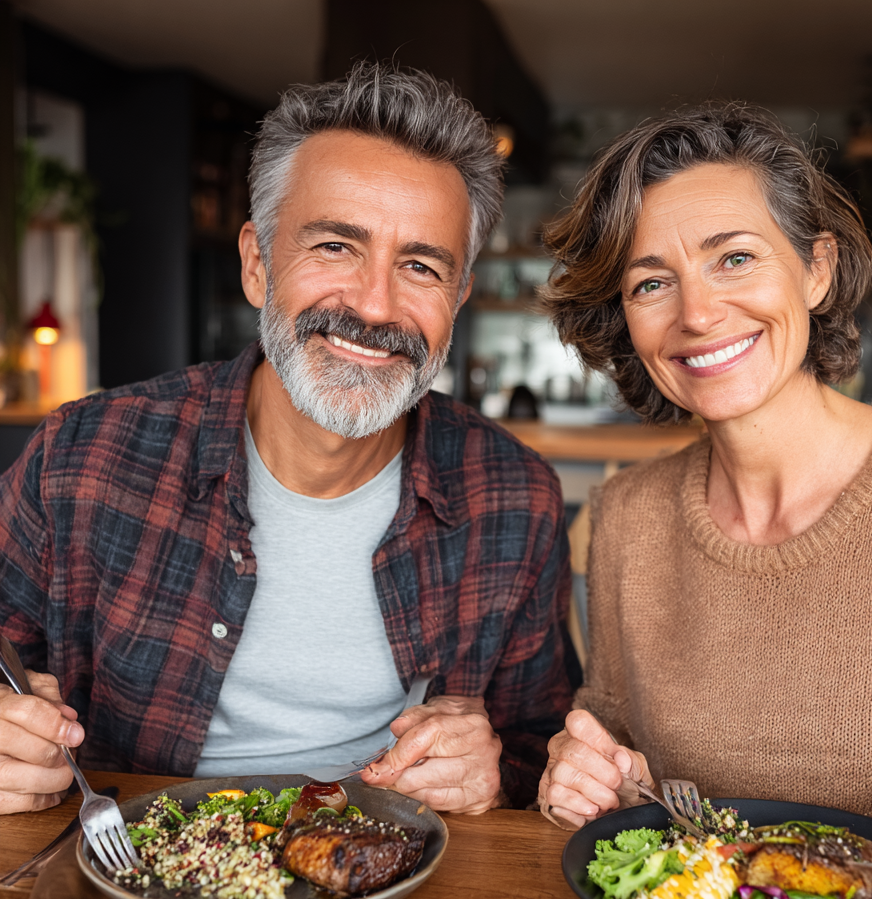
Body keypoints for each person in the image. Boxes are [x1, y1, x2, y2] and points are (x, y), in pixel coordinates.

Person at [0, 63, 575, 816]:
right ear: (256, 262)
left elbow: (543, 749)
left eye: (421, 265)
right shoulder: (80, 458)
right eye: (335, 246)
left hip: (390, 881)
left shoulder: (516, 497)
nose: (375, 305)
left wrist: (497, 776)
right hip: (129, 885)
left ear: (459, 296)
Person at [536, 102, 872, 868]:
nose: (697, 313)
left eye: (734, 258)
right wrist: (595, 779)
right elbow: (618, 763)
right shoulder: (627, 516)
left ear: (817, 270)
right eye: (651, 283)